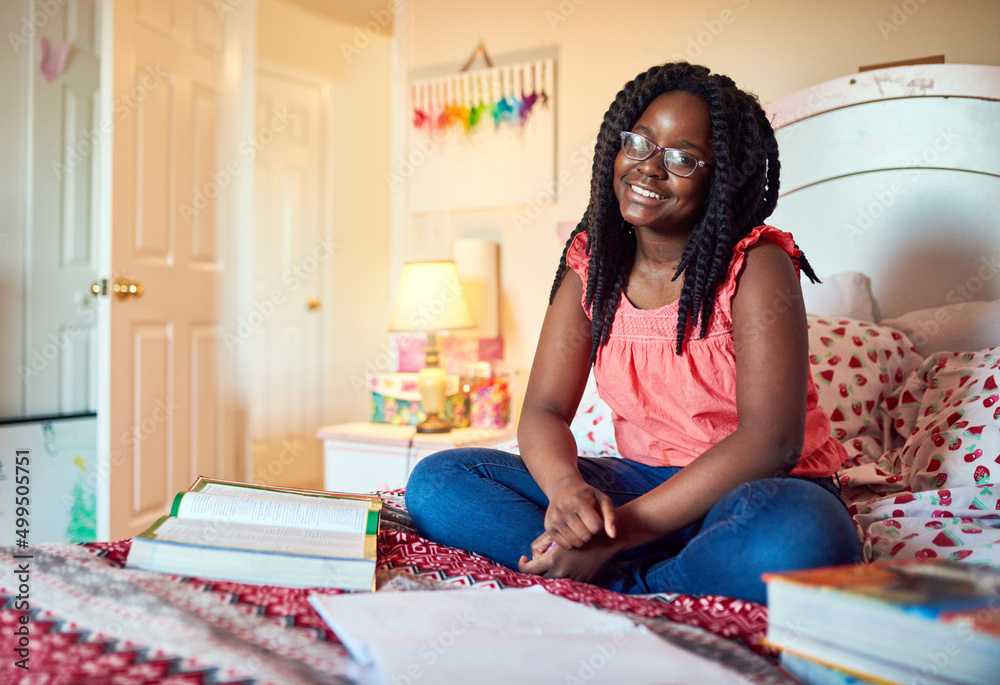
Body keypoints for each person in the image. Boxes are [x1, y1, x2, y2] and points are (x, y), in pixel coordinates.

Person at [404, 62, 861, 604]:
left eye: (682, 158)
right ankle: (643, 578)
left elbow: (772, 441)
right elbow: (544, 410)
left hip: (751, 494)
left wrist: (616, 536)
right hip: (639, 484)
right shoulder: (591, 267)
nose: (648, 169)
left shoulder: (757, 264)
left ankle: (630, 580)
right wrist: (569, 495)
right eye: (639, 143)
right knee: (441, 481)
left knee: (805, 536)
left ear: (721, 178)